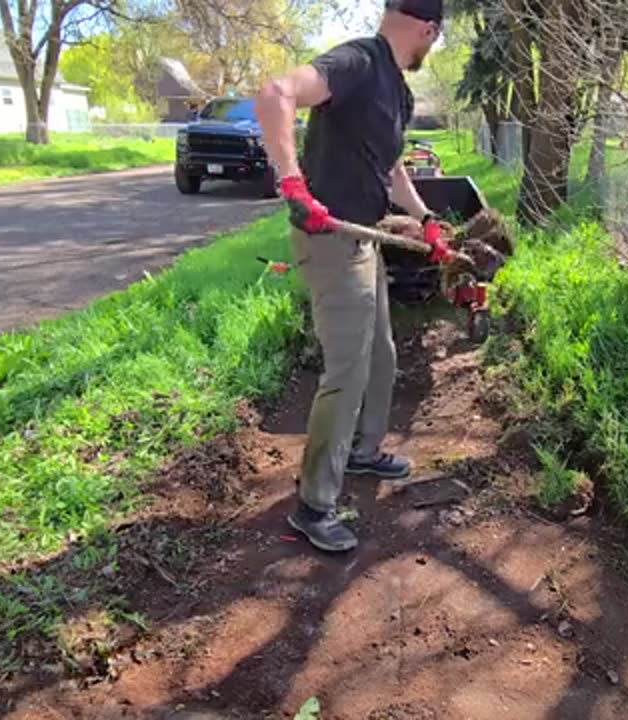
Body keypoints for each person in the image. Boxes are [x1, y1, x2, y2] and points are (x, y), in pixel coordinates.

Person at [255, 0, 450, 552]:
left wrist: (425, 219)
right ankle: (314, 504)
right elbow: (276, 94)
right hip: (330, 238)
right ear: (428, 30)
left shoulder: (397, 90)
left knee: (382, 354)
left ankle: (363, 452)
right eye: (434, 38)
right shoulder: (360, 64)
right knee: (347, 370)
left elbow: (387, 167)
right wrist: (293, 183)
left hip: (363, 236)